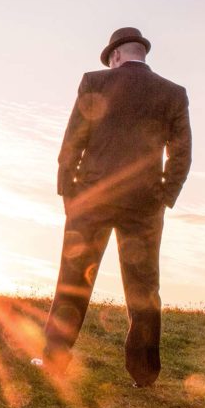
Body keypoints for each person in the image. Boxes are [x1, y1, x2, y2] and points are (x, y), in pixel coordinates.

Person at [34, 27, 192, 387]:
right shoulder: (173, 94)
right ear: (140, 53)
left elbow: (73, 139)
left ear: (116, 56)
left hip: (92, 197)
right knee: (144, 289)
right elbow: (182, 154)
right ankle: (144, 374)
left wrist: (69, 192)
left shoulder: (95, 82)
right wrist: (164, 196)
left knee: (73, 281)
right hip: (145, 204)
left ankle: (55, 360)